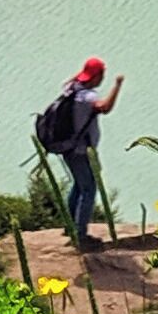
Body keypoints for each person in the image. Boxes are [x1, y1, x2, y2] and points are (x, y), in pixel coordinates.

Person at [37, 56, 123, 248]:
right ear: (97, 76)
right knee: (88, 189)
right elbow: (105, 107)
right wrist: (117, 85)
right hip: (80, 150)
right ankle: (80, 235)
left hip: (67, 147)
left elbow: (75, 79)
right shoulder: (88, 97)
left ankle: (71, 227)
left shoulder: (70, 88)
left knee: (78, 185)